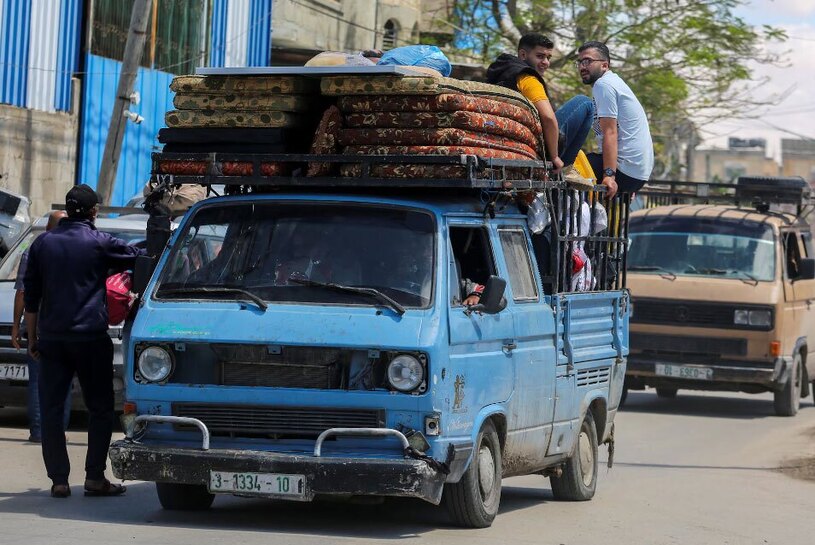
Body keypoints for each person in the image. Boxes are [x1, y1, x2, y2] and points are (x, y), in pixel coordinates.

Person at [24, 184, 144, 499]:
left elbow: (31, 295)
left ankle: (59, 480)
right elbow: (138, 257)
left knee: (51, 410)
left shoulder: (43, 244)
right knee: (100, 408)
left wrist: (33, 337)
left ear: (67, 209)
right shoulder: (99, 242)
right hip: (90, 338)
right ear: (94, 212)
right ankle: (94, 477)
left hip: (52, 339)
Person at [487, 33, 595, 176]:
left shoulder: (498, 74)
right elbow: (548, 118)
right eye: (540, 56)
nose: (546, 62)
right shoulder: (528, 78)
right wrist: (554, 157)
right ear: (523, 55)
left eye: (548, 57)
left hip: (512, 138)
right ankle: (564, 168)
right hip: (539, 146)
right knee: (585, 102)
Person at [11, 210, 72, 443]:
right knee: (63, 381)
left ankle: (39, 432)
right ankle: (58, 432)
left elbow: (23, 293)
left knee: (39, 381)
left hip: (40, 327)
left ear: (47, 228)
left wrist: (17, 326)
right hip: (68, 326)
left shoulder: (34, 250)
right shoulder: (75, 250)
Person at [577, 41, 654, 198]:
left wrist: (609, 175)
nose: (582, 67)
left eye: (588, 61)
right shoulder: (614, 82)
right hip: (637, 175)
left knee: (564, 170)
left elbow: (610, 132)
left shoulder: (603, 85)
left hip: (622, 171)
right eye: (580, 62)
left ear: (604, 65)